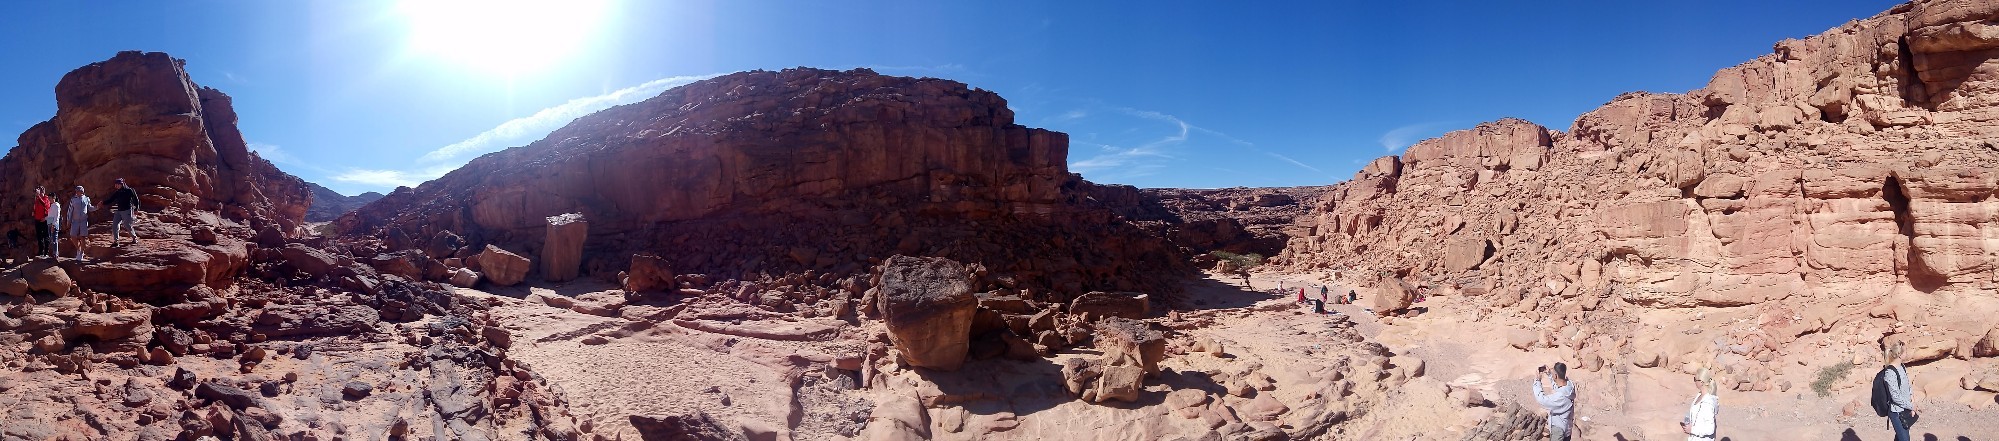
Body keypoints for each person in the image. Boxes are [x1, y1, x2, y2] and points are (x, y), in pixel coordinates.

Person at [1882, 341, 1917, 441]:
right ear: (1900, 355)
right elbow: (1895, 397)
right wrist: (1911, 406)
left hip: (1905, 409)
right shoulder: (1890, 372)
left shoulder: (1902, 367)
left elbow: (1907, 385)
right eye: (1905, 352)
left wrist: (1912, 401)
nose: (1907, 353)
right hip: (1896, 412)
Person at [1533, 362, 1575, 441]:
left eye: (1553, 373)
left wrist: (1537, 381)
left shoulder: (1560, 397)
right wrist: (1549, 374)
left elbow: (1541, 399)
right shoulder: (1570, 386)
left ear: (1556, 375)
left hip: (1559, 431)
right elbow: (1559, 387)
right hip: (1567, 429)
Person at [1681, 368, 1719, 441]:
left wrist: (1692, 430)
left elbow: (1710, 429)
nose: (1694, 381)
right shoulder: (1699, 395)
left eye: (1695, 379)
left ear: (1701, 382)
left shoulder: (1708, 403)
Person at [104, 178, 140, 246]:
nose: (116, 186)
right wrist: (103, 203)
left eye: (118, 184)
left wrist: (136, 209)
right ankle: (116, 241)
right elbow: (111, 199)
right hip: (119, 211)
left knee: (127, 224)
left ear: (122, 184)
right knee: (115, 225)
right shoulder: (117, 192)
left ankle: (134, 238)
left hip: (127, 210)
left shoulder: (129, 190)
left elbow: (136, 199)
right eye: (116, 184)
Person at [65, 186, 91, 261]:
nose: (77, 192)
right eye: (76, 191)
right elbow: (70, 211)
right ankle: (78, 249)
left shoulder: (86, 199)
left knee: (83, 237)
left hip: (83, 220)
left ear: (82, 191)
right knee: (73, 236)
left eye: (78, 191)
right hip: (75, 220)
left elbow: (90, 208)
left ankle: (81, 253)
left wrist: (97, 207)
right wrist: (68, 221)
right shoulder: (73, 200)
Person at [31, 187, 52, 258]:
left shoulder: (46, 198)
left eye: (39, 191)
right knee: (39, 236)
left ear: (42, 191)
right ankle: (41, 252)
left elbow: (45, 205)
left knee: (46, 235)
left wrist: (38, 196)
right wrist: (34, 212)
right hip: (37, 219)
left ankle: (46, 252)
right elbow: (35, 207)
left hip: (45, 219)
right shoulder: (36, 199)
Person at [43, 195, 59, 259]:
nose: (49, 199)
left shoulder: (56, 205)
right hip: (49, 223)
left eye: (50, 198)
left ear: (54, 198)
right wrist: (45, 219)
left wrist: (53, 224)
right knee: (51, 239)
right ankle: (52, 253)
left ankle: (55, 254)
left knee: (54, 239)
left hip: (53, 224)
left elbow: (56, 216)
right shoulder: (51, 205)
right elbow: (50, 215)